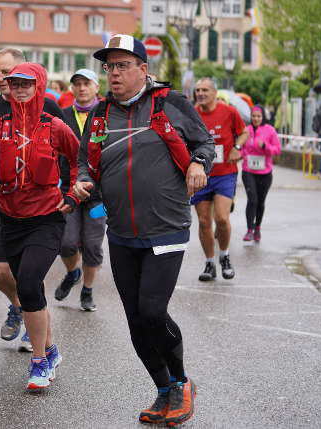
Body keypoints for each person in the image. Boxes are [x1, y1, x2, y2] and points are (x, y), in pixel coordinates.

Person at [74, 34, 214, 426]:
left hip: (166, 227)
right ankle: (163, 388)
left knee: (153, 311)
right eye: (109, 67)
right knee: (135, 318)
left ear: (142, 69)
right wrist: (83, 180)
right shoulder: (101, 115)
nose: (114, 74)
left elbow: (205, 142)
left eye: (122, 66)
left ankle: (182, 383)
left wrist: (198, 163)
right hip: (120, 230)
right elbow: (85, 160)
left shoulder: (170, 104)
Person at [0, 62, 80, 390]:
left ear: (39, 86)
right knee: (28, 288)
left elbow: (80, 161)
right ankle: (51, 348)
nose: (18, 89)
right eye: (14, 83)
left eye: (26, 84)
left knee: (30, 283)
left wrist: (72, 194)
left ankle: (38, 362)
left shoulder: (55, 126)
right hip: (10, 220)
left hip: (46, 219)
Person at [0, 47, 64, 351]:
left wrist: (68, 193)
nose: (2, 79)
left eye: (8, 73)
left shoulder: (50, 109)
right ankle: (21, 307)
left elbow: (70, 155)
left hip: (41, 208)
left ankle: (36, 334)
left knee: (29, 276)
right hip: (0, 203)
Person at [54, 68, 106, 312]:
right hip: (69, 188)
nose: (82, 88)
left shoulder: (108, 114)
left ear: (97, 87)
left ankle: (87, 290)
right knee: (66, 242)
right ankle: (72, 273)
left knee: (92, 244)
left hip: (99, 193)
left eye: (87, 83)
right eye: (77, 84)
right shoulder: (62, 115)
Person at [192, 77, 248, 282]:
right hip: (200, 174)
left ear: (215, 93)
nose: (201, 93)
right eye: (198, 90)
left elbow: (243, 133)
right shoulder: (192, 113)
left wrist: (237, 148)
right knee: (204, 221)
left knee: (222, 218)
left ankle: (224, 256)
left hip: (225, 172)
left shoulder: (229, 112)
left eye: (205, 89)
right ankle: (209, 263)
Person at [240, 105, 280, 242]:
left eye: (258, 116)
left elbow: (277, 150)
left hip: (265, 173)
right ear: (250, 117)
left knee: (260, 202)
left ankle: (257, 228)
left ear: (263, 117)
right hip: (248, 171)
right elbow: (240, 147)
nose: (256, 118)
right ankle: (249, 230)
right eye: (253, 116)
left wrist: (265, 146)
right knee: (252, 200)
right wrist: (243, 154)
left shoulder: (270, 131)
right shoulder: (246, 130)